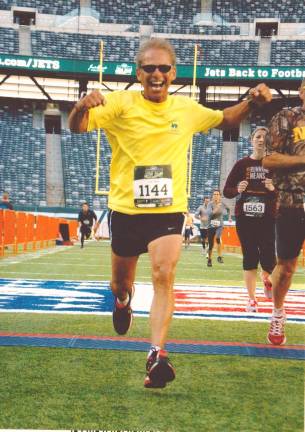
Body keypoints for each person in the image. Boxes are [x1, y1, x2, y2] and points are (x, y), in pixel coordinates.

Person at [68, 38, 272, 388]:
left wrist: (251, 102)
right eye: (150, 68)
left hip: (168, 210)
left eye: (164, 68)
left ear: (174, 73)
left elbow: (225, 119)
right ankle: (122, 301)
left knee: (164, 274)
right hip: (126, 210)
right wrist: (80, 106)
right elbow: (78, 126)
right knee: (121, 283)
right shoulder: (120, 103)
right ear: (139, 73)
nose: (157, 74)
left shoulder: (186, 108)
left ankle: (156, 353)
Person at [262, 79, 305, 345]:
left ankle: (273, 280)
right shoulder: (286, 117)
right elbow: (269, 159)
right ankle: (278, 312)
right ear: (302, 91)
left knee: (284, 268)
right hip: (293, 201)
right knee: (287, 267)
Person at [223, 127, 277, 312]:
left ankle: (267, 278)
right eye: (258, 136)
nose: (262, 140)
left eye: (265, 137)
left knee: (269, 255)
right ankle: (252, 299)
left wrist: (272, 189)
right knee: (250, 256)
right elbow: (227, 191)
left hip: (268, 217)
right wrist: (238, 188)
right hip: (245, 218)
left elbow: (284, 194)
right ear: (251, 140)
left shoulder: (275, 164)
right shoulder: (241, 164)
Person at [206, 190, 231, 267]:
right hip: (211, 226)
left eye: (217, 194)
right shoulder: (210, 204)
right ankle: (209, 259)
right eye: (214, 194)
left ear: (220, 196)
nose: (216, 195)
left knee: (217, 238)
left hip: (220, 225)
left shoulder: (223, 204)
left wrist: (229, 218)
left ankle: (219, 256)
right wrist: (217, 207)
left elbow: (229, 209)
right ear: (212, 196)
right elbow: (210, 214)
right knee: (211, 245)